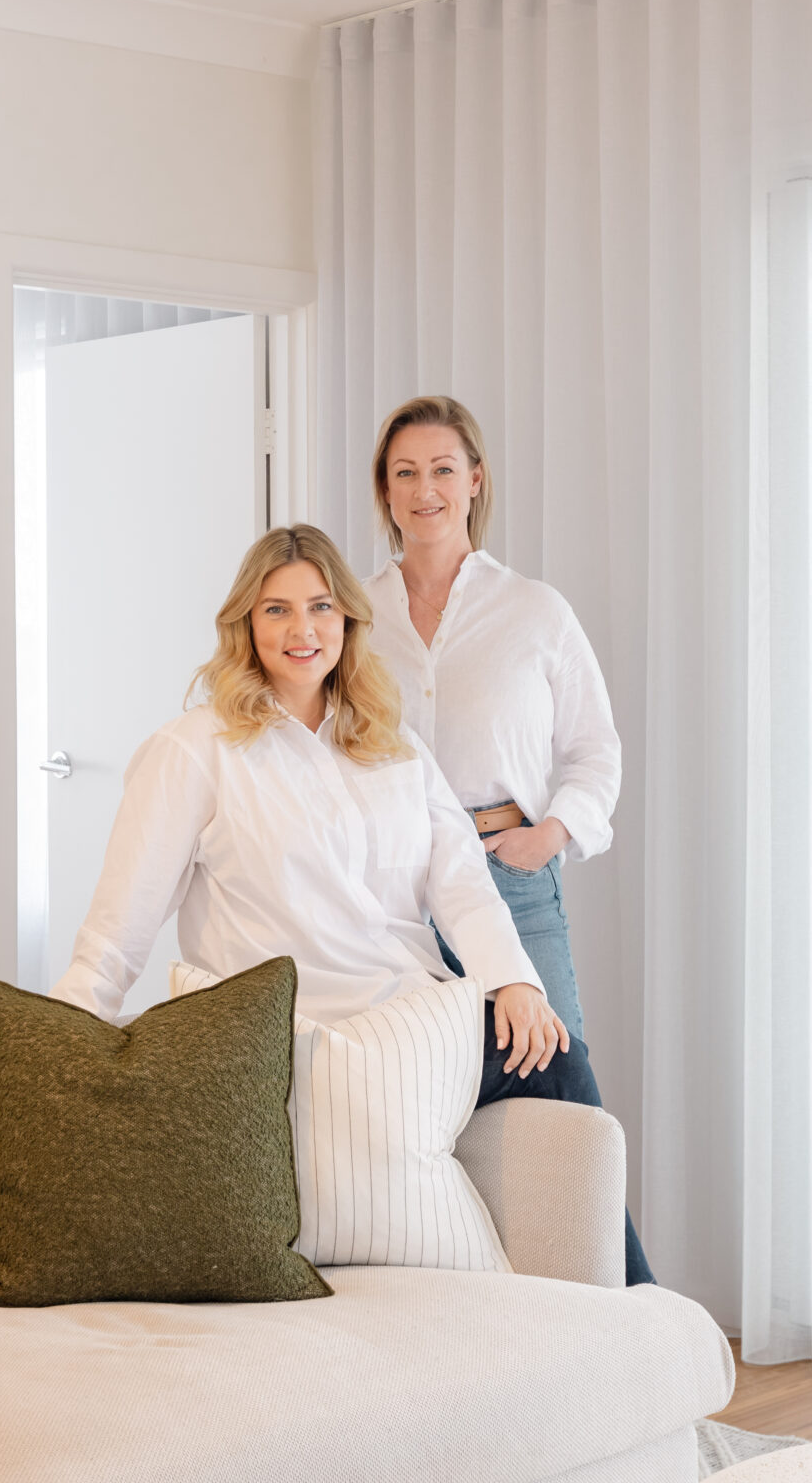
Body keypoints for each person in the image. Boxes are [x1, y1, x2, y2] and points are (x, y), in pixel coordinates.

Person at [52, 525, 653, 1282]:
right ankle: (630, 1306)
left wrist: (516, 983)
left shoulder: (393, 746)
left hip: (410, 1023)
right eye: (277, 610)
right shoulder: (194, 749)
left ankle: (627, 1312)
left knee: (557, 1054)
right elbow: (120, 925)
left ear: (347, 622)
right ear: (246, 624)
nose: (301, 630)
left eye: (321, 608)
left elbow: (461, 883)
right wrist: (55, 1030)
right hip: (291, 1037)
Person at [362, 396, 650, 1282]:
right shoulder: (353, 615)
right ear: (385, 489)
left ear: (476, 480)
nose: (426, 489)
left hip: (511, 882)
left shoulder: (534, 610)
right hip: (394, 894)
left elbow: (595, 748)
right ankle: (478, 1308)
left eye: (443, 469)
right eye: (406, 472)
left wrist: (553, 831)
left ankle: (618, 1302)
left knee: (559, 1091)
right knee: (411, 1103)